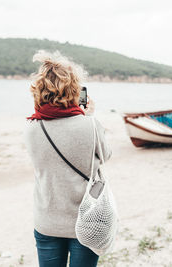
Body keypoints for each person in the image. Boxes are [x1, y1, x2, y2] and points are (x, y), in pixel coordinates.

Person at [24, 50, 111, 267]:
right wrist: (88, 117)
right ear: (74, 90)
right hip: (87, 219)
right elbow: (106, 155)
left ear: (40, 90)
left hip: (47, 221)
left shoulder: (32, 129)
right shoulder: (90, 125)